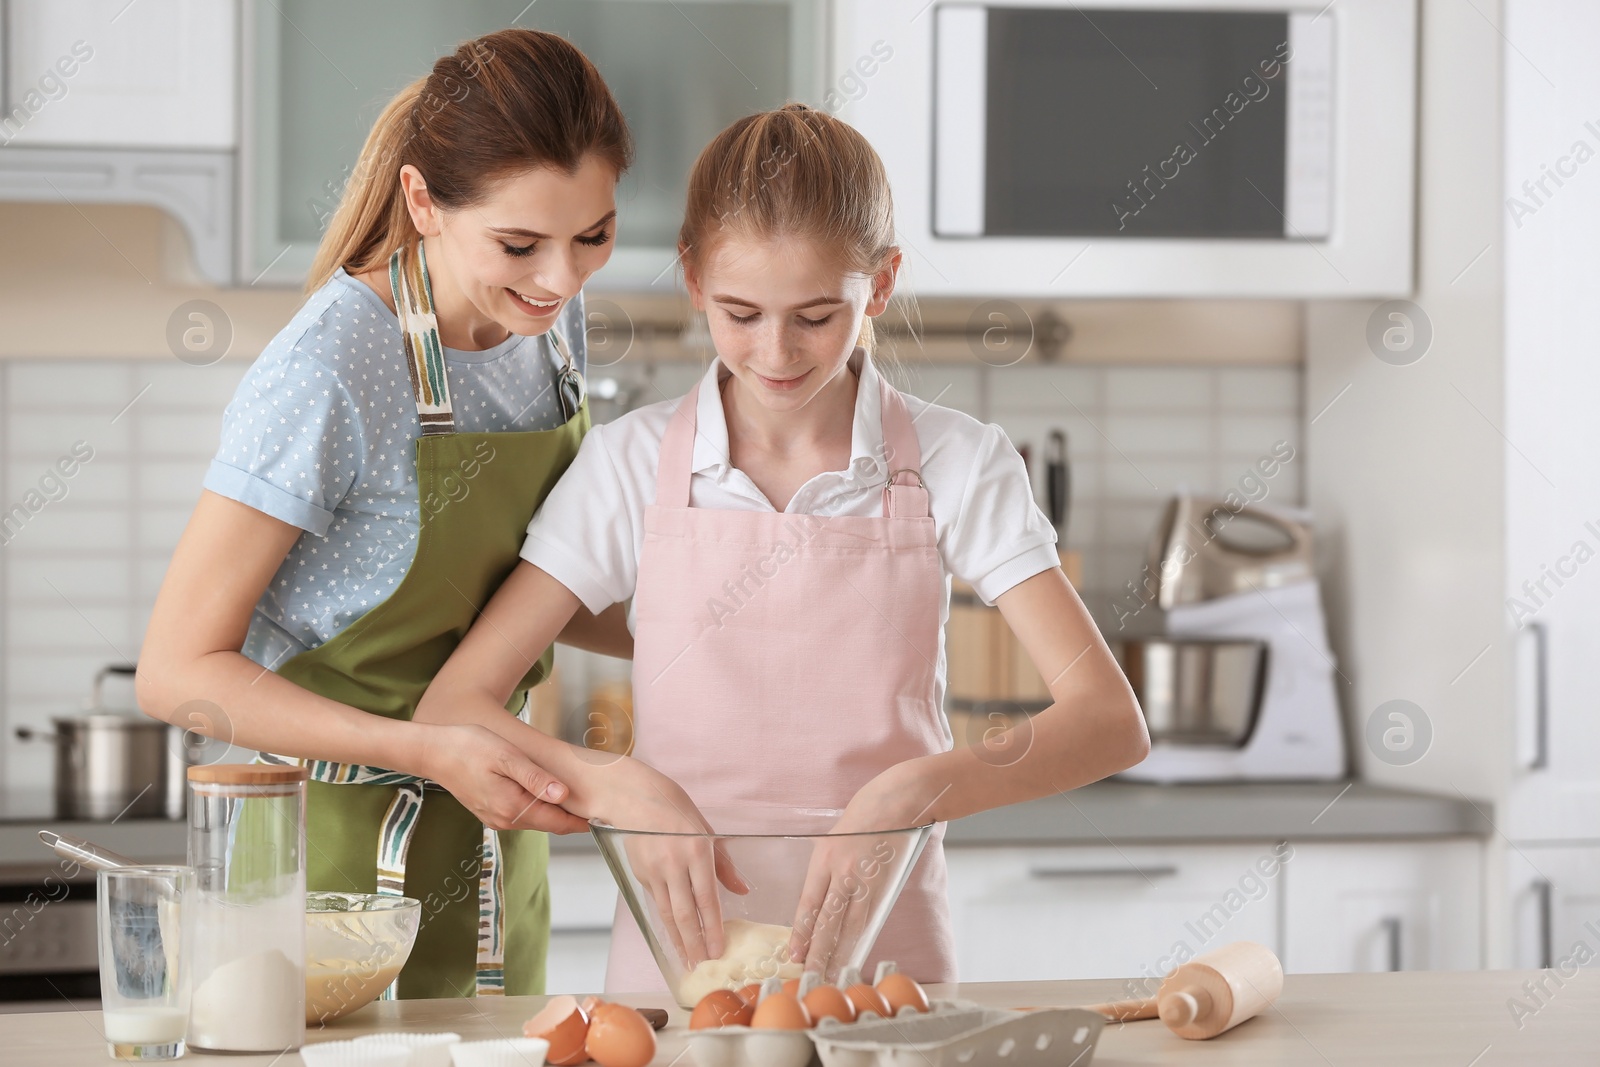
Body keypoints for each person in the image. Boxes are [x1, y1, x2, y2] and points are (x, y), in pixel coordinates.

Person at [415, 104, 1150, 992]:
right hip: (678, 965)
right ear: (690, 277)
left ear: (878, 287)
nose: (774, 352)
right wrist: (610, 781)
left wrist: (915, 790)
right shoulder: (631, 464)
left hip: (884, 963)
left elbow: (1109, 721)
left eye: (813, 315)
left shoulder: (958, 461)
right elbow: (456, 705)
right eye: (740, 312)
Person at [137, 29, 645, 998]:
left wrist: (713, 642)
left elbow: (523, 586)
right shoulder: (330, 368)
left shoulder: (547, 327)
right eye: (518, 244)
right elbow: (176, 672)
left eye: (594, 235)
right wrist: (424, 747)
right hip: (324, 857)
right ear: (423, 201)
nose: (562, 278)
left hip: (493, 828)